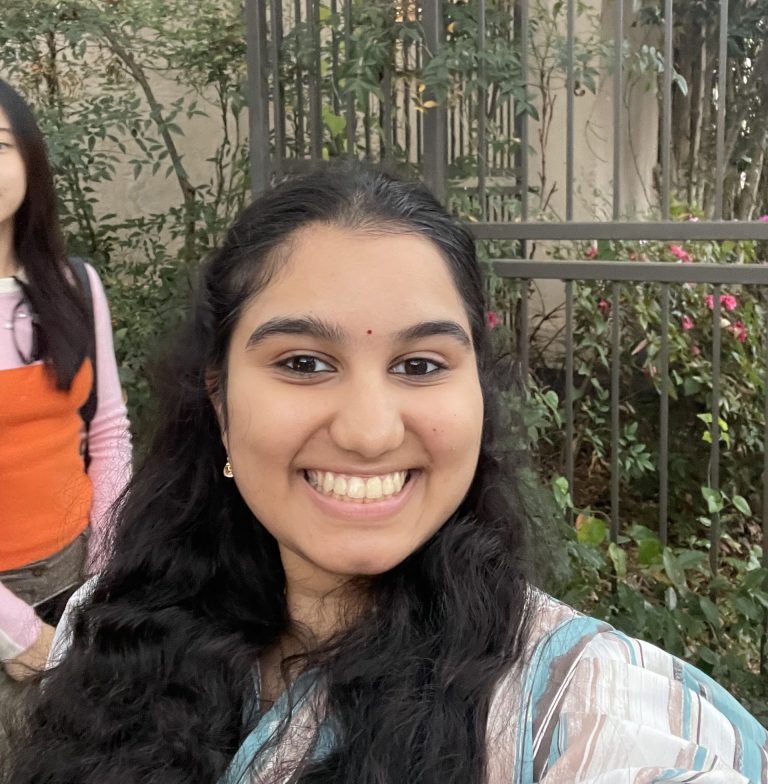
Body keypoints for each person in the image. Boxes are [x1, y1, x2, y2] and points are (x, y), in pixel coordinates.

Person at [4, 167, 766, 784]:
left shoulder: (584, 704)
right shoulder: (105, 633)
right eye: (305, 363)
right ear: (220, 400)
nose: (370, 432)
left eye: (420, 365)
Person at [0, 81, 131, 723]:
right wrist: (19, 636)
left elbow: (106, 431)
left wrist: (104, 575)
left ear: (29, 160)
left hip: (75, 577)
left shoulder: (74, 285)